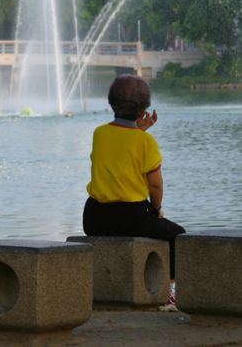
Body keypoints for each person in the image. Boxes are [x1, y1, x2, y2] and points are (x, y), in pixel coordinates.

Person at [83, 74, 185, 311]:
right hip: (131, 218)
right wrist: (156, 209)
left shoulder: (99, 134)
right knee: (179, 237)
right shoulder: (145, 142)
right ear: (143, 110)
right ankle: (167, 292)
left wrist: (138, 131)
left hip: (94, 217)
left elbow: (121, 144)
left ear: (111, 104)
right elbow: (156, 185)